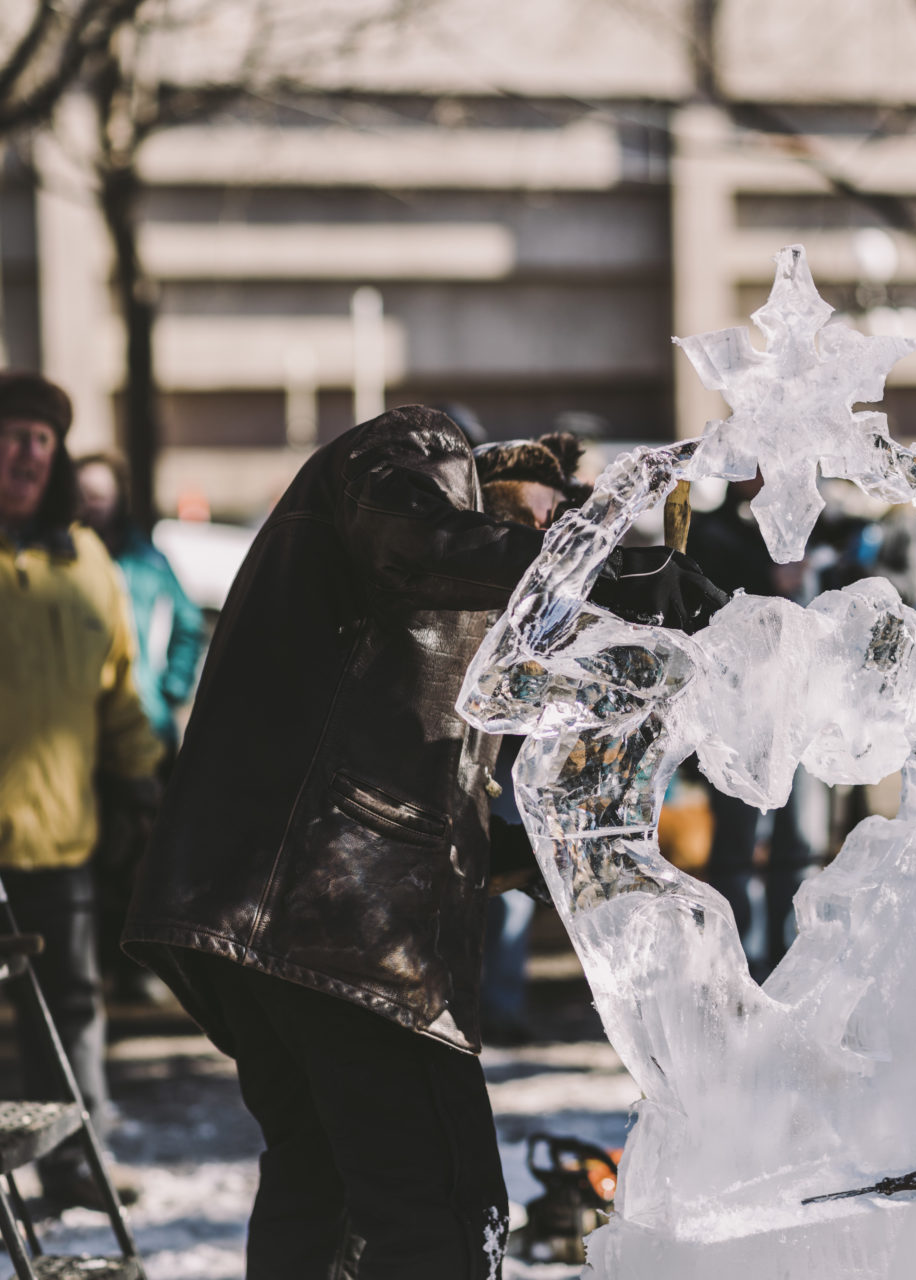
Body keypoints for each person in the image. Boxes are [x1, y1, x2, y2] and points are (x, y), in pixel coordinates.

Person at [123, 404, 724, 1279]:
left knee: (321, 1190)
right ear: (498, 480)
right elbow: (418, 542)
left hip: (283, 916)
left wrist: (563, 861)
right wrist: (610, 571)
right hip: (340, 923)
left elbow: (441, 805)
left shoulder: (442, 633)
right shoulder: (420, 452)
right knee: (445, 1212)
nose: (557, 539)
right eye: (548, 516)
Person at [0, 372, 163, 1211]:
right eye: (10, 435)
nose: (25, 452)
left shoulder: (86, 558)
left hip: (61, 835)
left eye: (39, 437)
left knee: (71, 1012)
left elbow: (119, 691)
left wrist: (144, 781)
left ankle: (77, 1165)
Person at [472, 431, 592, 1046]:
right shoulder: (495, 565)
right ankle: (478, 1006)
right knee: (483, 883)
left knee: (512, 885)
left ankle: (499, 1005)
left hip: (523, 757)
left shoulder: (549, 561)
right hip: (482, 758)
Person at [76, 451, 207, 1000]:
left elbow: (187, 628)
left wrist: (169, 691)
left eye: (101, 492)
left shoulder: (149, 565)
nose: (93, 503)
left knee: (139, 855)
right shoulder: (61, 559)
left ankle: (132, 968)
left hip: (144, 727)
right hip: (75, 734)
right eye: (84, 492)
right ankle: (84, 963)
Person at [688, 473, 824, 980]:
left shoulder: (813, 525)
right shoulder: (715, 531)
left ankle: (790, 953)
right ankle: (739, 959)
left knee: (799, 842)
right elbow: (711, 604)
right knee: (738, 841)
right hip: (741, 712)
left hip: (801, 708)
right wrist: (771, 580)